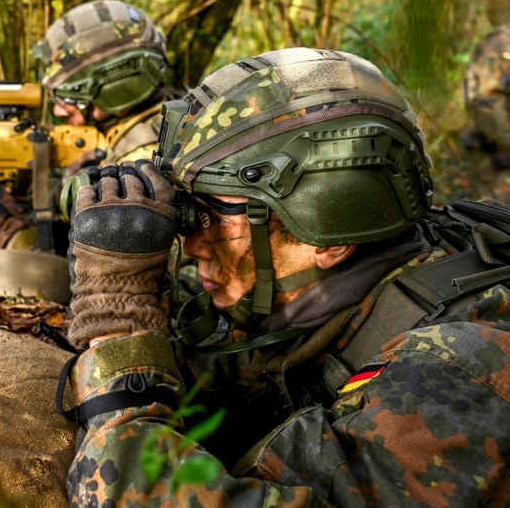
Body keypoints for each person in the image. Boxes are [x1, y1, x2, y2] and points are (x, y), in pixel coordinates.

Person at [58, 47, 510, 505]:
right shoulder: (311, 298)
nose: (192, 245)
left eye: (212, 216)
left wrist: (118, 324)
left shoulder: (456, 376)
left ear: (328, 236)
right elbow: (222, 378)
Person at [0, 0, 175, 252]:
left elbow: (116, 281)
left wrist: (8, 238)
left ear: (116, 85)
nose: (57, 110)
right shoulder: (168, 122)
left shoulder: (143, 164)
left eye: (67, 97)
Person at [462, 25, 510, 201]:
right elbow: (487, 101)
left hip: (497, 148)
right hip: (494, 154)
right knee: (495, 217)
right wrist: (505, 139)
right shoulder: (500, 45)